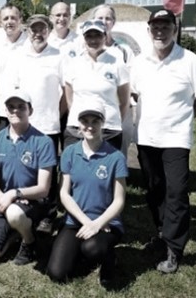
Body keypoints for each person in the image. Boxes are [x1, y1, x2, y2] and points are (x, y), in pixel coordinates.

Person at [131, 8, 196, 274]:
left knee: (176, 191)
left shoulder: (190, 60)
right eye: (155, 27)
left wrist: (182, 119)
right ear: (149, 30)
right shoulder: (139, 62)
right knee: (155, 189)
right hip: (146, 137)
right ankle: (162, 233)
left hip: (176, 138)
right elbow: (133, 94)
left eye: (166, 27)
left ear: (175, 30)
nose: (160, 32)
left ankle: (174, 249)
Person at [46, 101, 128, 287]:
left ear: (103, 123)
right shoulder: (69, 152)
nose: (90, 126)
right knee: (57, 273)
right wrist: (86, 222)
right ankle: (80, 252)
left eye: (95, 121)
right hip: (76, 220)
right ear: (78, 124)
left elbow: (119, 200)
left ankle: (108, 257)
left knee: (92, 248)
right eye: (85, 121)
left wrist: (98, 223)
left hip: (106, 223)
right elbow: (64, 193)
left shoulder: (116, 157)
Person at [0, 90, 56, 266]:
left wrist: (14, 194)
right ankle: (15, 231)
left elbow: (43, 189)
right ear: (5, 111)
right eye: (11, 107)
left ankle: (29, 242)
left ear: (30, 110)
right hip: (4, 201)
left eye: (21, 107)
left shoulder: (43, 141)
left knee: (14, 213)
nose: (16, 111)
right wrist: (3, 198)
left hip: (33, 202)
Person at [12, 14, 65, 233]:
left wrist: (57, 113)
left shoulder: (58, 56)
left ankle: (48, 215)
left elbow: (67, 91)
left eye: (42, 29)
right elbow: (15, 89)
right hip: (25, 124)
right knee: (26, 169)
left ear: (49, 31)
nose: (38, 33)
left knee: (48, 173)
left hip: (48, 125)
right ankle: (27, 210)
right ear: (27, 31)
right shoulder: (20, 56)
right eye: (34, 29)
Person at [64, 20, 130, 150]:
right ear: (84, 39)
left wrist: (112, 121)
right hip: (77, 128)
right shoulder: (74, 63)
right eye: (89, 36)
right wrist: (81, 120)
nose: (93, 40)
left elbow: (124, 101)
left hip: (108, 129)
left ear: (105, 37)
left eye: (98, 35)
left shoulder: (117, 63)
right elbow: (70, 99)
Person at [93, 4, 135, 158]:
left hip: (120, 110)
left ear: (114, 22)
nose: (104, 22)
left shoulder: (124, 51)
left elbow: (131, 81)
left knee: (118, 156)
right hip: (94, 109)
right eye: (100, 18)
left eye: (108, 18)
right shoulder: (84, 49)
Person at [0, 4, 27, 134]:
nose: (9, 21)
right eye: (6, 18)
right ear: (1, 23)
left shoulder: (31, 44)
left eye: (13, 18)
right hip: (1, 111)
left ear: (20, 20)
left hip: (25, 109)